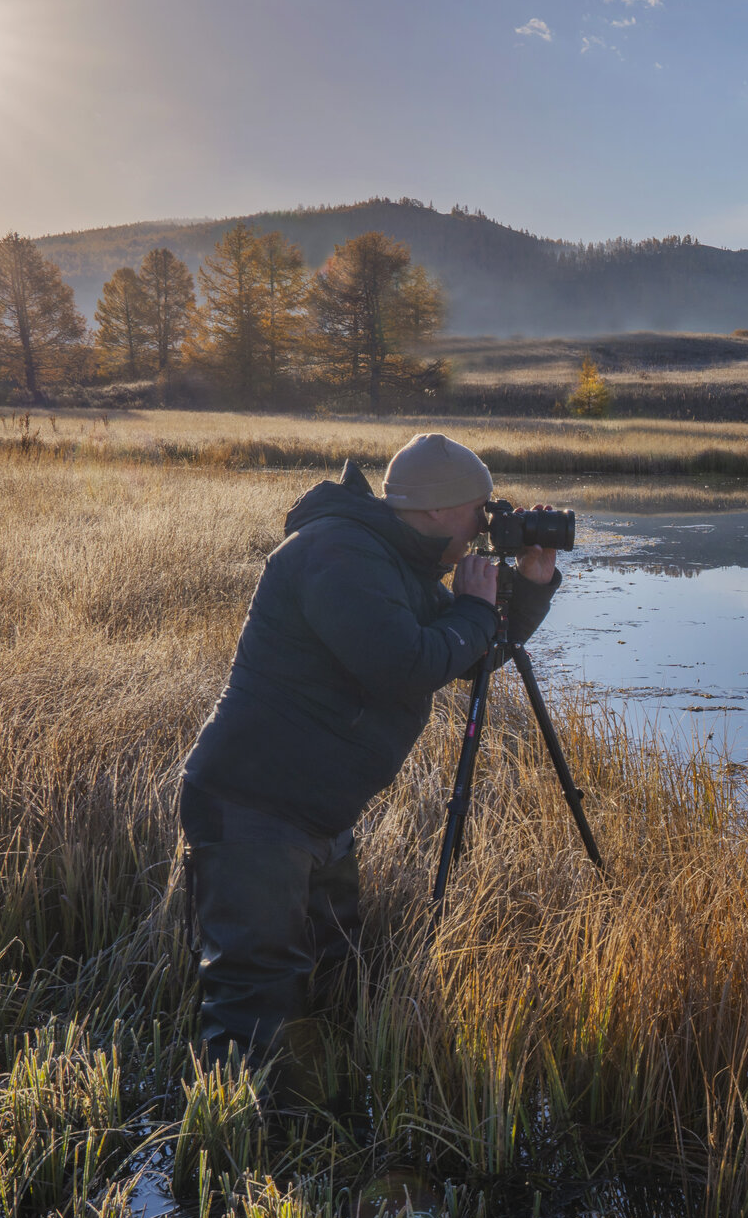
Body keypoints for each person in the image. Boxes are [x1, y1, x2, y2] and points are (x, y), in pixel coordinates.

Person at [178, 432, 562, 1075]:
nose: (487, 522)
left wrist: (529, 591)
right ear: (439, 510)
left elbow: (463, 654)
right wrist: (470, 605)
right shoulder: (340, 554)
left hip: (312, 812)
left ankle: (320, 1129)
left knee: (336, 974)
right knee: (256, 1001)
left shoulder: (393, 559)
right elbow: (404, 665)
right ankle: (235, 1153)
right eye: (481, 507)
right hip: (254, 809)